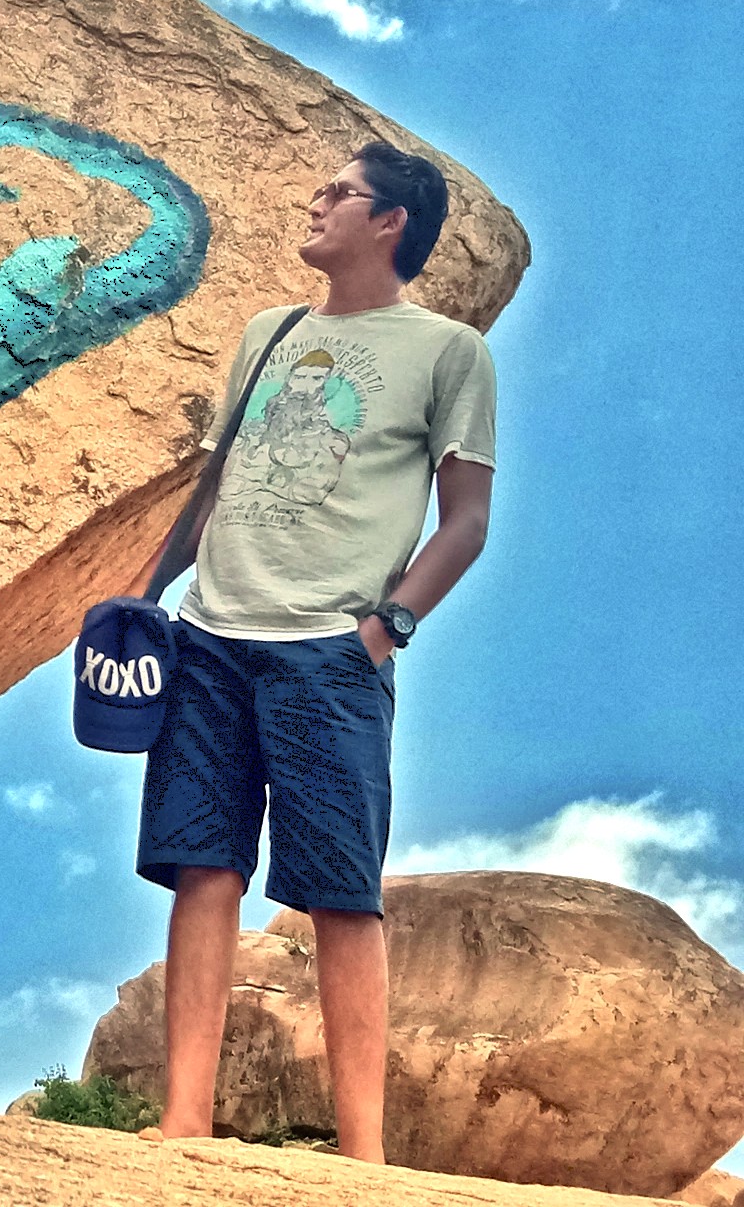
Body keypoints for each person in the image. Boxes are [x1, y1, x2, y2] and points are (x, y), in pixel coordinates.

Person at [135, 141, 496, 1164]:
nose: (316, 202)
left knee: (339, 890)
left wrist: (384, 632)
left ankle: (364, 1156)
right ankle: (180, 1128)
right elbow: (212, 488)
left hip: (328, 650)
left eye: (337, 194)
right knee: (199, 867)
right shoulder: (267, 333)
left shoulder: (445, 353)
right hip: (210, 634)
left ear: (388, 223)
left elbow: (465, 520)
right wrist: (146, 595)